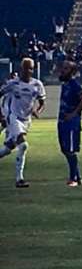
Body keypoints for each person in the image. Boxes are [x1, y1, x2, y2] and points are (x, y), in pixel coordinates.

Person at [0, 57, 46, 189]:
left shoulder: (37, 85)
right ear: (21, 69)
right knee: (23, 145)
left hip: (26, 120)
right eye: (25, 68)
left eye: (30, 68)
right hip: (13, 118)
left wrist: (37, 111)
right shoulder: (13, 84)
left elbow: (42, 103)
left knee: (8, 149)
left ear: (33, 69)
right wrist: (1, 115)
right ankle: (19, 179)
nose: (27, 70)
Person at [57, 61, 82, 187]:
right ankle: (78, 177)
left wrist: (74, 113)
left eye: (65, 69)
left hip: (70, 123)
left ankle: (73, 179)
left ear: (71, 72)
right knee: (65, 150)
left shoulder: (74, 85)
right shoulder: (65, 85)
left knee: (70, 151)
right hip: (62, 122)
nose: (62, 71)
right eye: (62, 68)